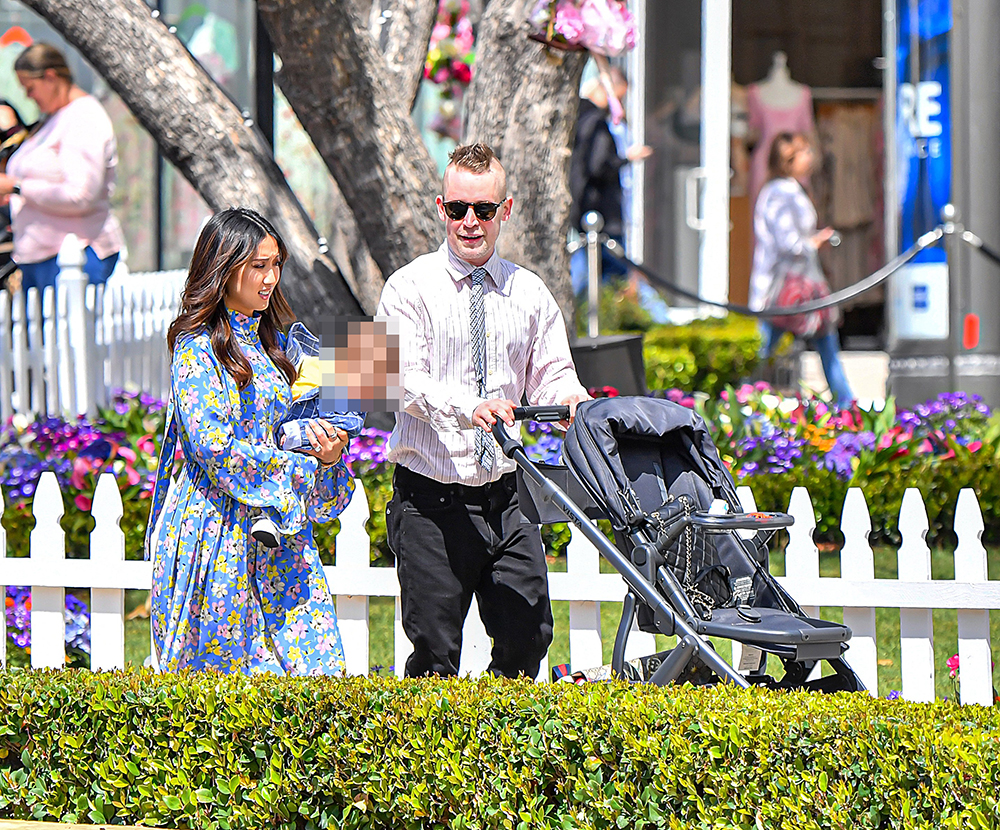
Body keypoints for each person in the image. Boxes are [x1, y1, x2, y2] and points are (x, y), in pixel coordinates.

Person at [377, 142, 590, 678]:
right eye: (457, 209)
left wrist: (571, 399)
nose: (470, 222)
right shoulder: (407, 286)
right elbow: (395, 381)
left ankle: (498, 752)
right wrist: (469, 406)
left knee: (530, 639)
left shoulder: (533, 292)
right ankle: (434, 756)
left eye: (484, 210)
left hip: (507, 495)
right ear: (440, 207)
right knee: (433, 656)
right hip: (430, 498)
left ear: (507, 210)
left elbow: (556, 373)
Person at [144, 207, 355, 674]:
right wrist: (298, 469)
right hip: (214, 533)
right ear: (223, 267)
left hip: (283, 538)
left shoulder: (280, 347)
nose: (270, 278)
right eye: (257, 266)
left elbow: (303, 442)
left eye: (275, 264)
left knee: (314, 681)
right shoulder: (196, 345)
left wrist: (329, 453)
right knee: (220, 701)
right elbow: (213, 447)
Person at [0, 43, 124, 292]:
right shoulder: (56, 117)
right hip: (42, 258)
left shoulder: (84, 117)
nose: (28, 97)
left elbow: (80, 195)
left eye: (30, 88)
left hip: (75, 257)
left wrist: (16, 187)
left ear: (50, 77)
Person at [750, 132, 854, 406]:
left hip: (803, 283)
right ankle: (740, 398)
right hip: (783, 285)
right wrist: (815, 241)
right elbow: (788, 243)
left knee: (824, 338)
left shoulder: (790, 189)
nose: (811, 157)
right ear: (788, 160)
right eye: (805, 152)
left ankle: (845, 400)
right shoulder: (780, 193)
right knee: (765, 346)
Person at [569, 65, 651, 296]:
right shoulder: (594, 122)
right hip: (601, 213)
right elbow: (597, 166)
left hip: (587, 211)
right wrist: (626, 158)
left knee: (590, 273)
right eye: (619, 97)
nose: (619, 105)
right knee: (610, 273)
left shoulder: (579, 115)